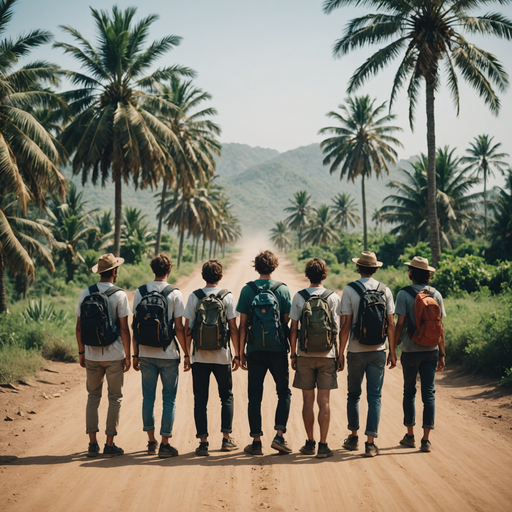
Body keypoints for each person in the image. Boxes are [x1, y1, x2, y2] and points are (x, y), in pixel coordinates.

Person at [338, 251, 396, 457]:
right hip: (378, 351)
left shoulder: (350, 290)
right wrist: (393, 351)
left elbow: (345, 326)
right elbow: (391, 323)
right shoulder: (385, 290)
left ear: (358, 268)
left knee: (353, 396)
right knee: (375, 398)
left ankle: (353, 437)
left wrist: (340, 353)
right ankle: (370, 443)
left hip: (355, 350)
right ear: (375, 269)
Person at [132, 253, 189, 458]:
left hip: (145, 353)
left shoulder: (140, 292)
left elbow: (135, 326)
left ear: (152, 269)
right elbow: (180, 328)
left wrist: (135, 355)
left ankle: (151, 441)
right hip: (168, 354)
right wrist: (187, 354)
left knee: (148, 397)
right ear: (170, 270)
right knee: (169, 400)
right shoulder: (174, 293)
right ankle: (165, 444)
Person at [76, 253, 131, 458]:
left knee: (93, 397)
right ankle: (109, 443)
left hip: (91, 354)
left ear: (99, 273)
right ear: (115, 272)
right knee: (114, 398)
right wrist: (128, 354)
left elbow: (79, 327)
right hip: (114, 353)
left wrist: (82, 352)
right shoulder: (119, 295)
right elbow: (124, 328)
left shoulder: (86, 293)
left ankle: (92, 444)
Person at [237, 250, 292, 456]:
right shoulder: (283, 290)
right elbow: (286, 321)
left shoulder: (247, 290)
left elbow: (242, 326)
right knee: (283, 392)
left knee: (254, 396)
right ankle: (279, 435)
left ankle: (256, 441)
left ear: (256, 267)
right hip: (277, 349)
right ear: (274, 266)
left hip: (254, 350)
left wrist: (241, 352)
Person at [183, 259, 240, 456]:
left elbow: (187, 329)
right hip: (222, 356)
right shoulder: (227, 297)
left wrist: (187, 355)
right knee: (226, 397)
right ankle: (226, 439)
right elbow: (233, 328)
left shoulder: (194, 296)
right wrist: (238, 354)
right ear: (220, 276)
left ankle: (203, 442)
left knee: (200, 399)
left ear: (203, 276)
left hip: (199, 357)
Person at [393, 256, 446, 453]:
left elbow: (400, 324)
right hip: (431, 351)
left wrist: (393, 348)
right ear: (428, 274)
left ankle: (410, 435)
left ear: (411, 273)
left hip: (410, 350)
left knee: (409, 392)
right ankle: (426, 440)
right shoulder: (436, 294)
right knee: (429, 393)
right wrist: (442, 353)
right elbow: (440, 327)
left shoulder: (404, 294)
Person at [289, 258, 340, 458]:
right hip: (327, 355)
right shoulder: (333, 297)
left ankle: (309, 443)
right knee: (324, 401)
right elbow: (336, 329)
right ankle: (323, 445)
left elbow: (293, 328)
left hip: (305, 354)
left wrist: (293, 353)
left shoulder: (300, 296)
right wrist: (338, 353)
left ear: (307, 275)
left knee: (308, 401)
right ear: (324, 274)